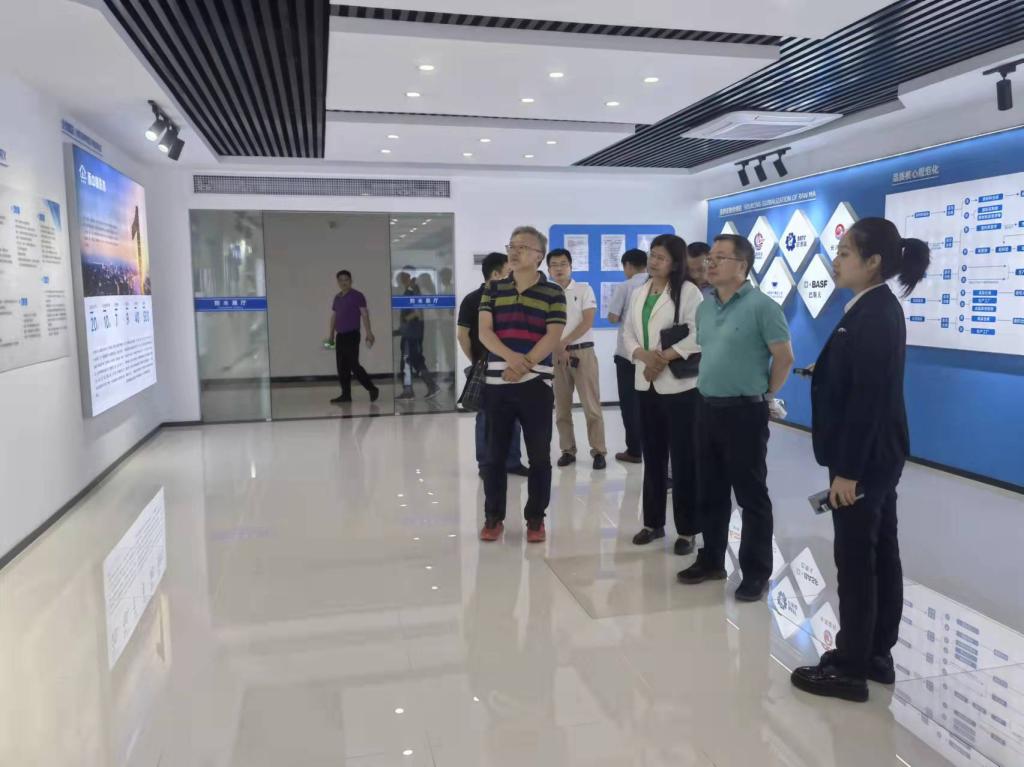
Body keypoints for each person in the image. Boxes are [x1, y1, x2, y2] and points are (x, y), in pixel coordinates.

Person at [791, 218, 929, 703]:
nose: (836, 260)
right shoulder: (873, 307)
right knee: (879, 550)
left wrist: (848, 471)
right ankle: (874, 653)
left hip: (865, 458)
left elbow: (869, 397)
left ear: (873, 263)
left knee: (855, 559)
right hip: (879, 452)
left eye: (845, 252)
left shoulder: (875, 313)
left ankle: (851, 668)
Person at [677, 234, 794, 602]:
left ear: (742, 266)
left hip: (745, 411)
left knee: (750, 493)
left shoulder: (763, 307)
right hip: (706, 407)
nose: (710, 263)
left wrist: (765, 394)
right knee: (710, 490)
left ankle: (756, 571)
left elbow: (784, 357)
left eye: (720, 258)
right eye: (710, 257)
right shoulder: (705, 307)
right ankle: (712, 559)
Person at [478, 226, 566, 543]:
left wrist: (525, 364)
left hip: (536, 385)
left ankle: (535, 519)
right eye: (512, 246)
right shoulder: (492, 289)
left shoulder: (553, 293)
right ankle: (493, 517)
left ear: (539, 256)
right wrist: (512, 359)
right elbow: (485, 332)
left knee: (539, 456)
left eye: (523, 247)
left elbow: (553, 335)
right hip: (497, 382)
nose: (515, 251)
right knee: (494, 456)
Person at [622, 234, 703, 554]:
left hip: (679, 387)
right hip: (646, 383)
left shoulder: (688, 291)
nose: (653, 261)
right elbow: (628, 332)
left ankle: (687, 530)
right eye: (652, 255)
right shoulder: (640, 291)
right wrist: (643, 356)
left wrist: (663, 358)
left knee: (684, 460)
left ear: (675, 262)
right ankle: (652, 523)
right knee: (653, 457)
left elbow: (699, 334)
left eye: (661, 257)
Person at [457, 252, 529, 478]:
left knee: (511, 414)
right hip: (488, 367)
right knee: (486, 417)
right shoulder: (473, 300)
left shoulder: (512, 297)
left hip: (510, 365)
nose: (513, 275)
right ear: (496, 274)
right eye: (509, 271)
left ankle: (509, 462)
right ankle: (490, 464)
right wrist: (476, 361)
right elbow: (462, 335)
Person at [546, 248, 608, 471]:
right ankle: (567, 450)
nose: (559, 268)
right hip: (556, 354)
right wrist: (558, 347)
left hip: (582, 353)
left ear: (571, 266)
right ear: (548, 269)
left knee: (591, 405)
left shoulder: (583, 289)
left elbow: (587, 321)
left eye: (563, 264)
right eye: (554, 265)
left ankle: (598, 451)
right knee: (562, 407)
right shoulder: (546, 293)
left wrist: (564, 342)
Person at [606, 248, 649, 464]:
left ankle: (634, 450)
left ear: (628, 265)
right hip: (651, 354)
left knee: (630, 404)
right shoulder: (656, 284)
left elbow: (613, 317)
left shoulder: (625, 286)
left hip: (627, 354)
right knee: (650, 403)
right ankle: (652, 447)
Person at [325, 270, 379, 404]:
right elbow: (334, 316)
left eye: (346, 279)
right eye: (341, 280)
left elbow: (364, 314)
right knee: (341, 367)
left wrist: (369, 332)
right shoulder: (337, 298)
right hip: (340, 336)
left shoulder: (357, 295)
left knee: (353, 365)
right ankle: (346, 395)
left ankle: (372, 388)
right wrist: (331, 335)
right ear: (338, 282)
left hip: (352, 335)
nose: (343, 282)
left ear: (351, 281)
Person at [396, 271, 440, 401]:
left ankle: (427, 387)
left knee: (411, 360)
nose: (403, 280)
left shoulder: (413, 291)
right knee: (412, 360)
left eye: (405, 277)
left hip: (412, 333)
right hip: (411, 332)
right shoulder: (409, 291)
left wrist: (404, 322)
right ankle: (412, 390)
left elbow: (418, 313)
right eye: (401, 278)